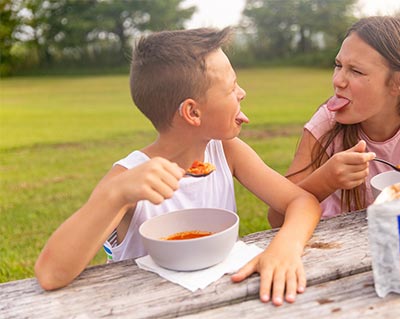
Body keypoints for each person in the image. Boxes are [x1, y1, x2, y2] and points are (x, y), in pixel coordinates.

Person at [34, 27, 322, 306]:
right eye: (232, 88)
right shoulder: (128, 179)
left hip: (221, 301)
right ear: (192, 112)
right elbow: (51, 274)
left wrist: (286, 247)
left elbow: (301, 201)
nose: (242, 93)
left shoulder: (225, 152)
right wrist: (115, 195)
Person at [268, 15, 400, 224]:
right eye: (338, 65)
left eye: (355, 71)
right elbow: (276, 218)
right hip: (334, 245)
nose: (337, 80)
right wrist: (325, 181)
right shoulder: (326, 121)